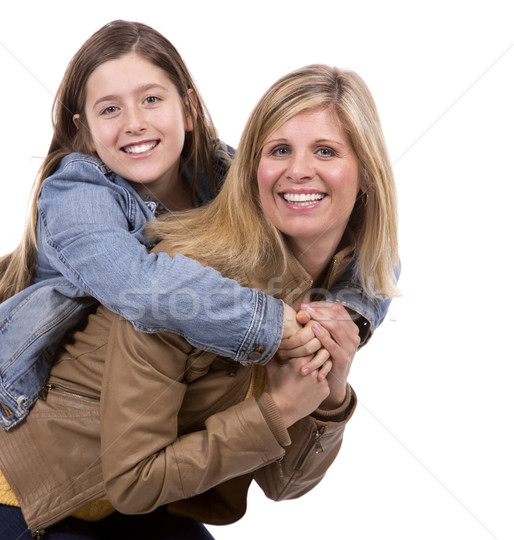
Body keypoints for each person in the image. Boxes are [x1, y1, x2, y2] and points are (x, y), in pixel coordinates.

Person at [0, 63, 399, 540]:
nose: (299, 170)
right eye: (279, 151)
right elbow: (136, 477)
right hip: (24, 488)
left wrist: (328, 397)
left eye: (326, 151)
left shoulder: (332, 295)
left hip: (120, 499)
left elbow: (284, 484)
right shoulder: (187, 285)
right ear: (251, 170)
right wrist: (277, 408)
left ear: (366, 174)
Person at [0, 20, 391, 433]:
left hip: (136, 426)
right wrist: (273, 325)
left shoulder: (222, 172)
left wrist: (346, 318)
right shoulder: (76, 192)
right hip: (32, 417)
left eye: (151, 99)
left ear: (188, 109)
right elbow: (139, 285)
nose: (134, 122)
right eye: (110, 109)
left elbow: (372, 240)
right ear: (86, 132)